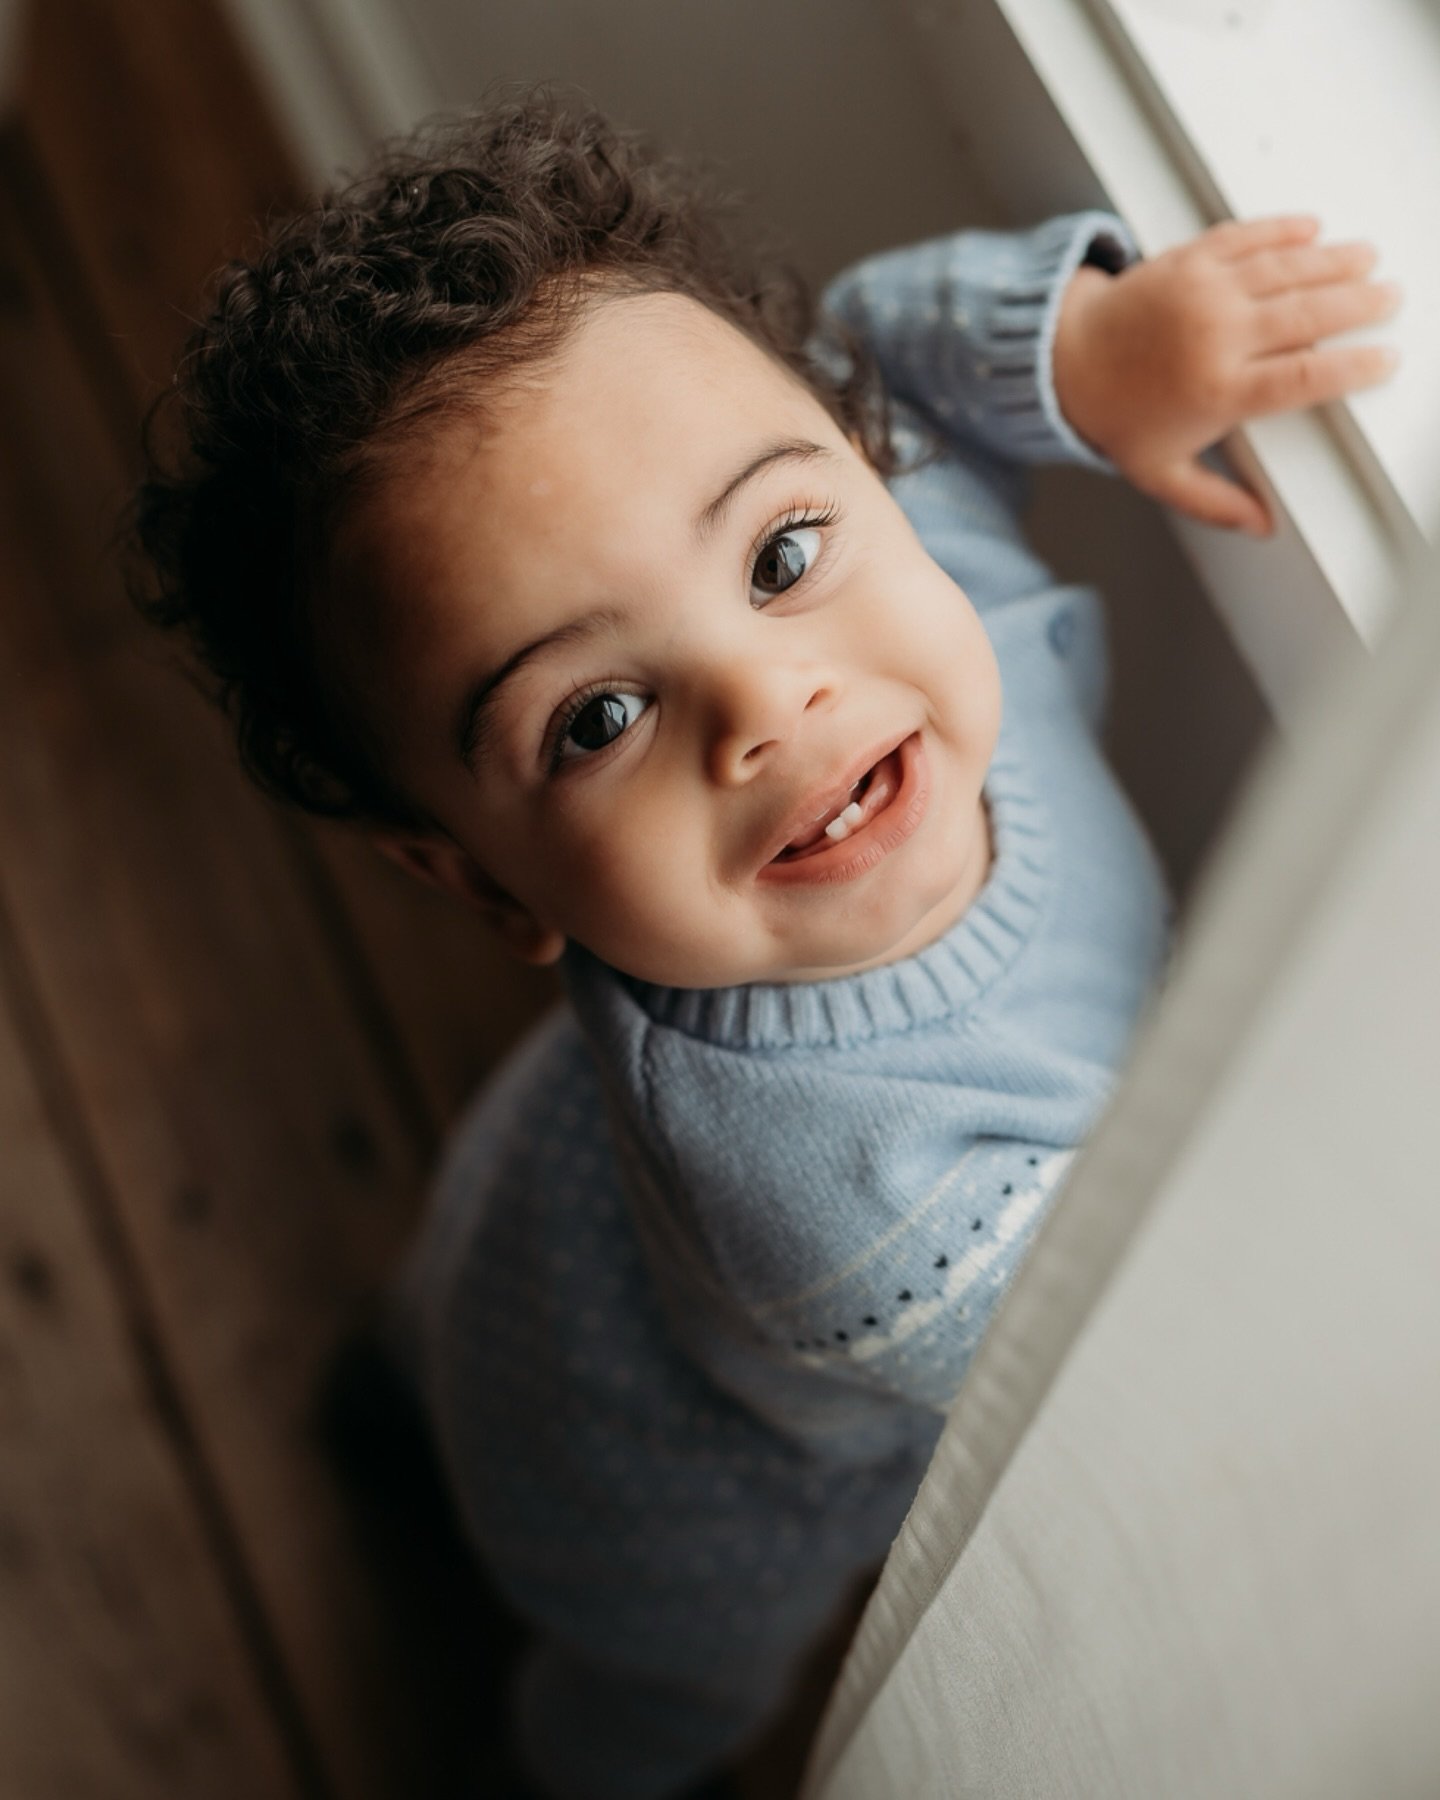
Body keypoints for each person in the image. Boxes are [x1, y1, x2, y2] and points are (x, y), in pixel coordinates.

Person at [125, 88, 1400, 1800]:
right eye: (595, 720)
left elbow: (878, 333)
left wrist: (1086, 354)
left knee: (441, 1317)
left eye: (782, 548)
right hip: (661, 1491)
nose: (765, 701)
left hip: (531, 1201)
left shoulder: (884, 542)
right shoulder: (868, 1217)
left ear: (851, 458)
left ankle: (395, 1378)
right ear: (488, 885)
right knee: (663, 1691)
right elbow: (1157, 1332)